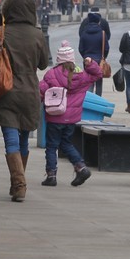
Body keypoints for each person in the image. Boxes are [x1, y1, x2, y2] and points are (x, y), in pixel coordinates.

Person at [0, 0, 48, 202]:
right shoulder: (37, 35)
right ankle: (18, 183)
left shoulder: (1, 33)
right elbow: (43, 64)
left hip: (6, 92)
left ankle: (19, 184)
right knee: (23, 140)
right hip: (30, 91)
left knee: (10, 138)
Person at [39, 41, 101, 187]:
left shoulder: (51, 74)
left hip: (55, 116)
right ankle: (81, 167)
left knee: (52, 146)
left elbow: (41, 90)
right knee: (66, 143)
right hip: (71, 118)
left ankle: (51, 176)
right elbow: (98, 74)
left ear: (59, 59)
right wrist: (90, 63)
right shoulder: (82, 75)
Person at [78, 7, 111, 95]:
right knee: (99, 83)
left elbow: (80, 48)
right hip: (99, 60)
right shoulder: (102, 33)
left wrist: (85, 56)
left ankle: (89, 99)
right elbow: (106, 48)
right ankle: (98, 100)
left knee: (88, 81)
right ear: (98, 22)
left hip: (87, 60)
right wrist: (103, 57)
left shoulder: (84, 33)